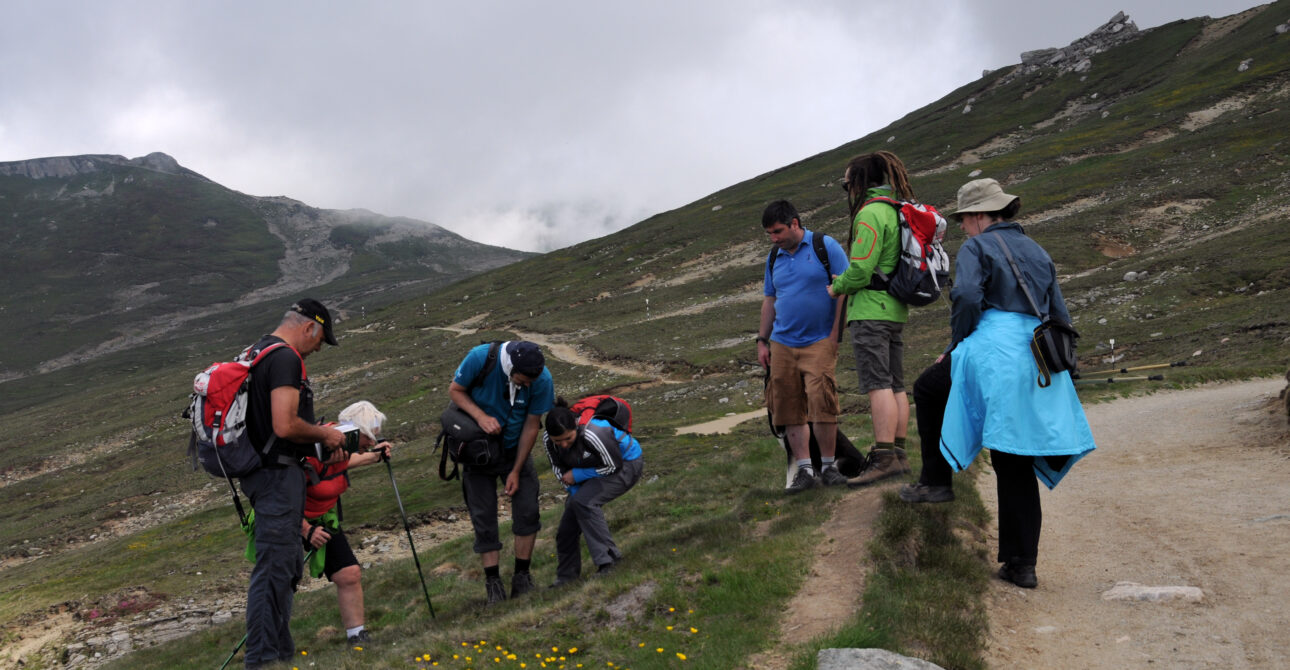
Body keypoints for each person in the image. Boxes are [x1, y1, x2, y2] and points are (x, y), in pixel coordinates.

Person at [899, 178, 1097, 589]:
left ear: (978, 216)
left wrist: (956, 344)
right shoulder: (1038, 251)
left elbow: (968, 296)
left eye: (965, 220)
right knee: (1015, 456)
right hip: (1035, 354)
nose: (965, 228)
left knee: (927, 389)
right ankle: (1022, 565)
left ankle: (936, 483)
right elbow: (1059, 313)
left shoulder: (977, 246)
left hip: (993, 350)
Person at [241, 298, 346, 669]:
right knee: (273, 571)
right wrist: (326, 435)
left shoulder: (257, 351)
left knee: (283, 568)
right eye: (320, 341)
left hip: (263, 474)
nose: (318, 349)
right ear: (309, 328)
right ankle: (262, 660)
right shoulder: (286, 358)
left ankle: (279, 654)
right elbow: (285, 425)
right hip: (276, 477)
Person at [828, 151, 915, 487]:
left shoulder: (869, 215)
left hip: (870, 312)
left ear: (860, 182)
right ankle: (899, 453)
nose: (847, 190)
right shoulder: (896, 210)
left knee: (877, 385)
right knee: (896, 385)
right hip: (894, 310)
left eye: (846, 183)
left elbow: (862, 269)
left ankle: (883, 457)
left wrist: (837, 287)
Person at [449, 340, 555, 604]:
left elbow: (532, 425)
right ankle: (493, 583)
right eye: (523, 380)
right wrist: (480, 417)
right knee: (483, 516)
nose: (528, 385)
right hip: (478, 452)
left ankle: (522, 578)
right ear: (511, 368)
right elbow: (456, 391)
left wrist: (517, 470)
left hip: (513, 451)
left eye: (533, 380)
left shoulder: (542, 379)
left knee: (528, 509)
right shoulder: (480, 357)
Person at [757, 199, 850, 493]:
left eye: (778, 231)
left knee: (822, 402)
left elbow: (845, 287)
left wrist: (835, 335)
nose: (774, 238)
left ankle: (829, 467)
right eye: (770, 234)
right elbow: (770, 300)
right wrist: (762, 341)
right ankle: (804, 471)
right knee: (787, 407)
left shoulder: (825, 246)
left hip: (820, 340)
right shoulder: (775, 257)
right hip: (782, 343)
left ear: (795, 224)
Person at [299, 401, 392, 648]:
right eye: (370, 437)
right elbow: (278, 496)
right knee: (282, 583)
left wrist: (375, 456)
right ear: (353, 430)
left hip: (322, 518)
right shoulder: (316, 449)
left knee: (349, 573)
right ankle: (268, 649)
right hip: (290, 520)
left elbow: (344, 464)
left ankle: (357, 637)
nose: (372, 442)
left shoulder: (340, 446)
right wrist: (306, 530)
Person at [542, 397, 644, 585]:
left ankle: (610, 561)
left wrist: (579, 475)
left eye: (568, 438)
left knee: (585, 502)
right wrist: (573, 491)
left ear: (575, 427)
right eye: (558, 441)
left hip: (627, 464)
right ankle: (566, 578)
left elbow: (613, 466)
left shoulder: (594, 431)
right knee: (568, 524)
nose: (563, 444)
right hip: (595, 470)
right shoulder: (548, 441)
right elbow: (559, 471)